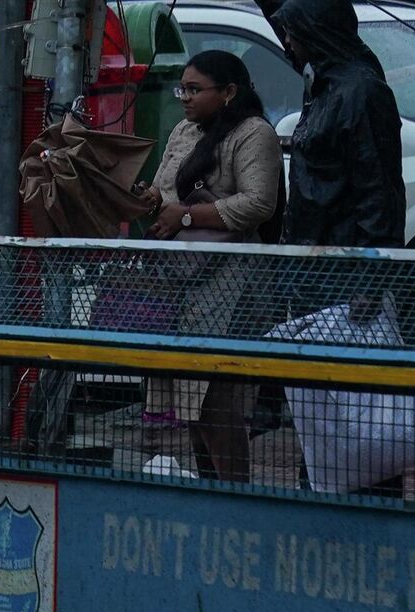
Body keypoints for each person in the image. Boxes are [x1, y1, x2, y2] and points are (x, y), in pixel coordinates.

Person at [134, 51, 282, 483]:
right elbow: (162, 194)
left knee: (216, 398)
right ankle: (212, 491)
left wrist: (185, 216)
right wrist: (140, 198)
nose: (184, 97)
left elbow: (258, 204)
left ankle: (234, 497)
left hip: (231, 284)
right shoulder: (184, 131)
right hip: (178, 281)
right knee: (189, 399)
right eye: (182, 88)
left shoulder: (254, 134)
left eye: (195, 89)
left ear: (230, 92)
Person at [265, 0, 404, 249]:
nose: (286, 41)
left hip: (343, 260)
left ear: (313, 33)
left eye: (292, 33)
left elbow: (377, 193)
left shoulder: (362, 91)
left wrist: (373, 269)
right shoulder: (321, 82)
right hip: (309, 255)